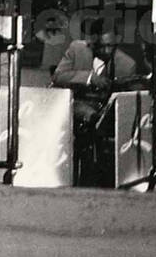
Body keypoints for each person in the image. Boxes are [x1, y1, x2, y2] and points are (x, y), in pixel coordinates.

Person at [53, 18, 146, 185]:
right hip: (76, 106)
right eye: (101, 46)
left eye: (111, 46)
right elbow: (58, 76)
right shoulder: (76, 49)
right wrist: (89, 78)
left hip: (105, 111)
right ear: (91, 42)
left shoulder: (127, 64)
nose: (106, 50)